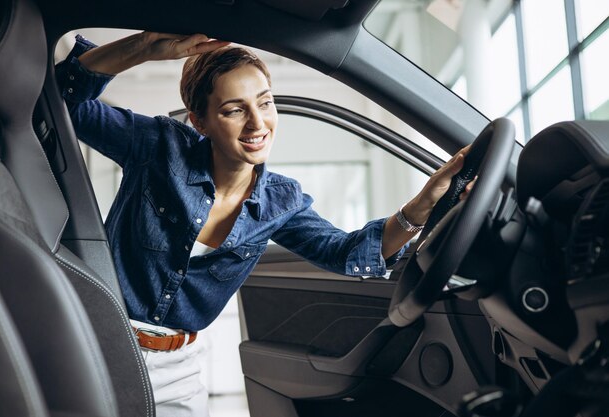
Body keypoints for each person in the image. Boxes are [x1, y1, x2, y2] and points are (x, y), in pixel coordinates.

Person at [56, 32, 473, 416]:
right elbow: (65, 101)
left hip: (178, 369)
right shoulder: (160, 146)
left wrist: (422, 206)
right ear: (200, 121)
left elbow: (348, 254)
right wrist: (146, 46)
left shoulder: (281, 200)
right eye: (235, 110)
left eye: (266, 102)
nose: (258, 124)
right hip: (99, 340)